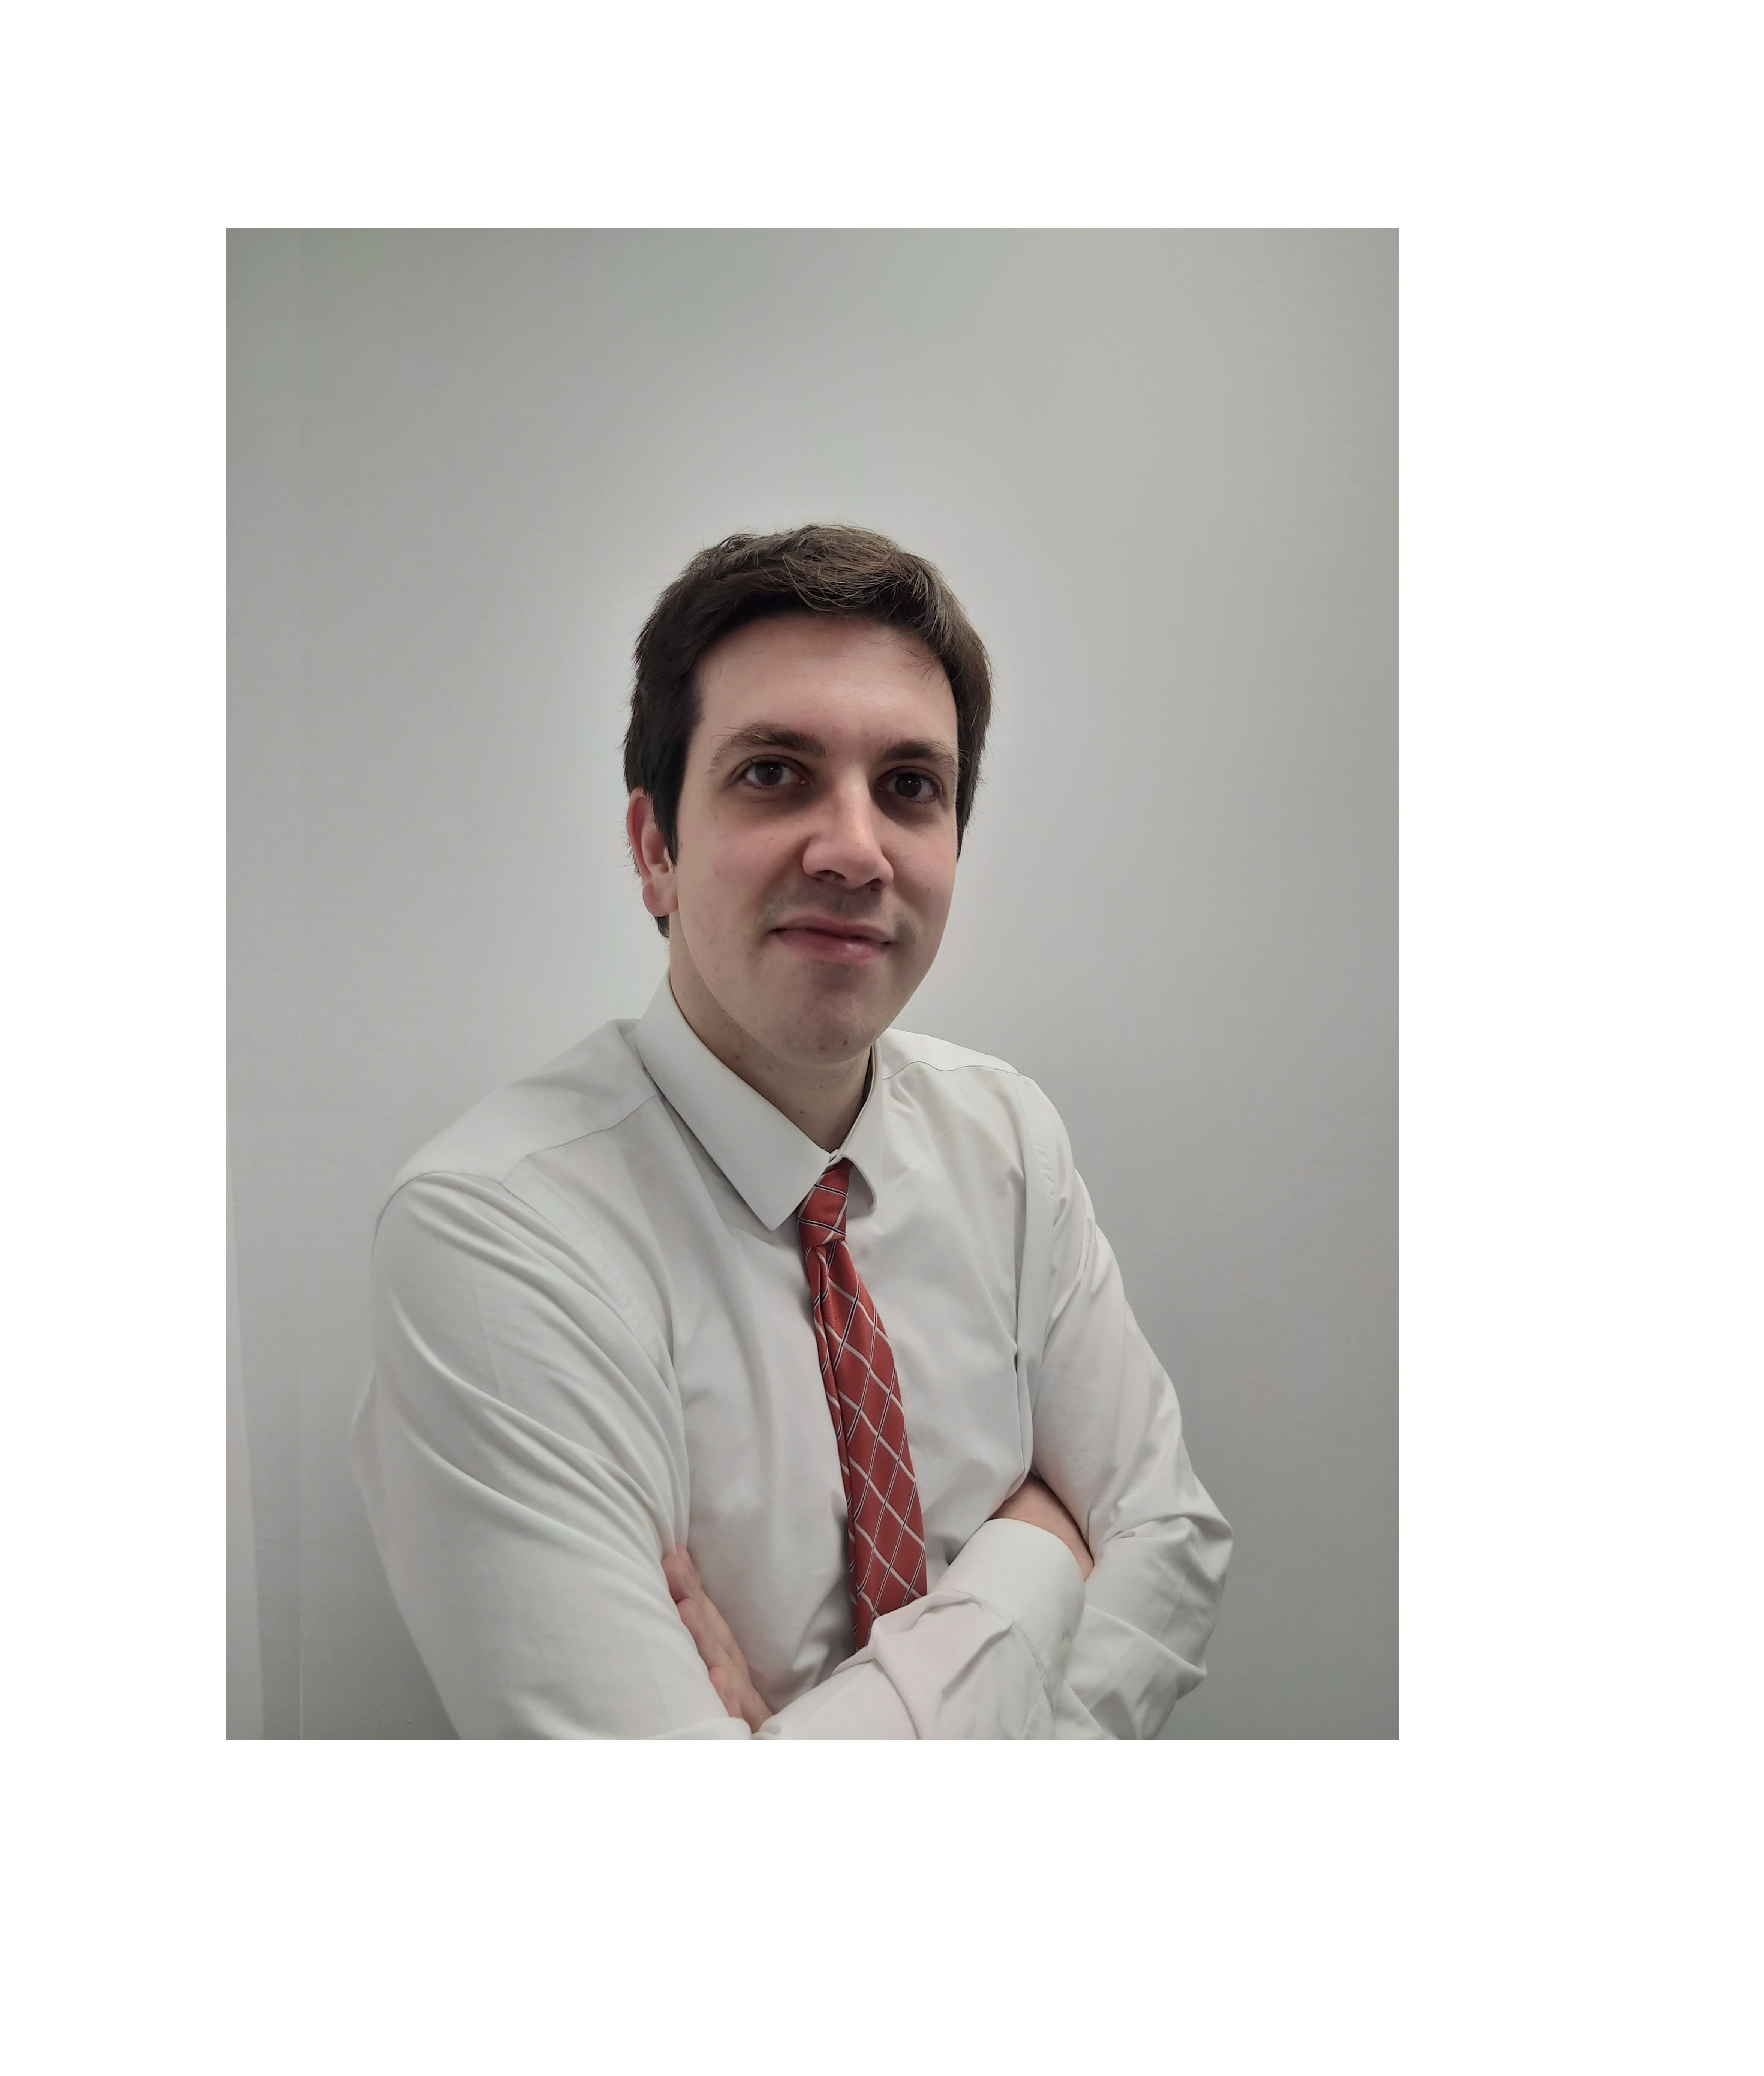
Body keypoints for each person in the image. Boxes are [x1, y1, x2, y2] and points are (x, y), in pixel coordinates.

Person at [351, 524, 1232, 1738]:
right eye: (774, 773)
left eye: (911, 788)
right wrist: (1033, 1566)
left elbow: (1171, 1541)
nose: (856, 851)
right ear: (655, 850)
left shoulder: (1011, 1141)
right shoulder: (493, 1233)